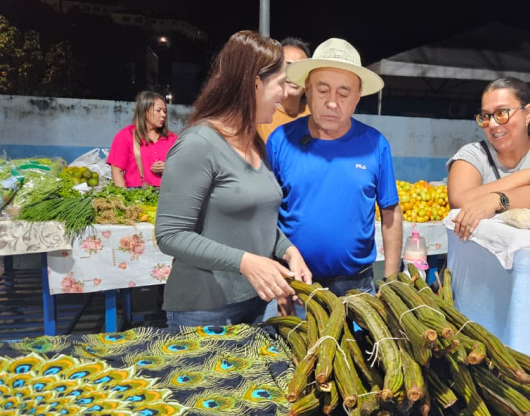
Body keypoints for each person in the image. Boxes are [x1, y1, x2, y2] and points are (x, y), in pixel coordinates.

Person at [155, 31, 311, 327]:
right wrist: (245, 262)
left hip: (257, 302)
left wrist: (289, 251)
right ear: (255, 83)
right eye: (279, 84)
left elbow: (258, 220)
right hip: (205, 309)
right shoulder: (199, 144)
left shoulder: (255, 143)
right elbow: (170, 235)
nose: (284, 95)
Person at [267, 38, 401, 295]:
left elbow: (390, 213)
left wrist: (391, 280)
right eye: (322, 90)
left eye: (343, 93)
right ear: (307, 88)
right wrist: (276, 276)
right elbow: (265, 213)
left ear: (358, 95)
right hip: (294, 283)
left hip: (358, 286)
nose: (332, 103)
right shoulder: (280, 140)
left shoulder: (376, 145)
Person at [447, 77, 530, 240]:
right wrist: (527, 176)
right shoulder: (473, 154)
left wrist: (496, 200)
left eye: (501, 113)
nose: (492, 124)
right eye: (486, 116)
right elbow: (460, 200)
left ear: (528, 113)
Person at [107, 91, 178, 188]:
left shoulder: (172, 138)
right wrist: (123, 198)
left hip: (167, 194)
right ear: (145, 111)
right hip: (136, 196)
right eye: (159, 110)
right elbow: (117, 170)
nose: (163, 115)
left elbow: (185, 169)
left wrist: (169, 168)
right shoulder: (126, 136)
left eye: (165, 111)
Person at [256, 37, 312, 143]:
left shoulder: (316, 114)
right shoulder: (260, 115)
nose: (294, 75)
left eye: (301, 69)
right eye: (288, 67)